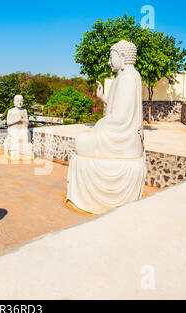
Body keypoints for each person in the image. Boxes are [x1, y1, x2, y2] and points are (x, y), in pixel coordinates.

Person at [67, 40, 146, 214]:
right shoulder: (124, 77)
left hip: (121, 136)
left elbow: (120, 118)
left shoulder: (128, 77)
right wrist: (102, 97)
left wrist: (99, 125)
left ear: (123, 57)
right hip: (118, 134)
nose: (109, 62)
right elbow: (117, 108)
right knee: (82, 140)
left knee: (81, 141)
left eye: (111, 57)